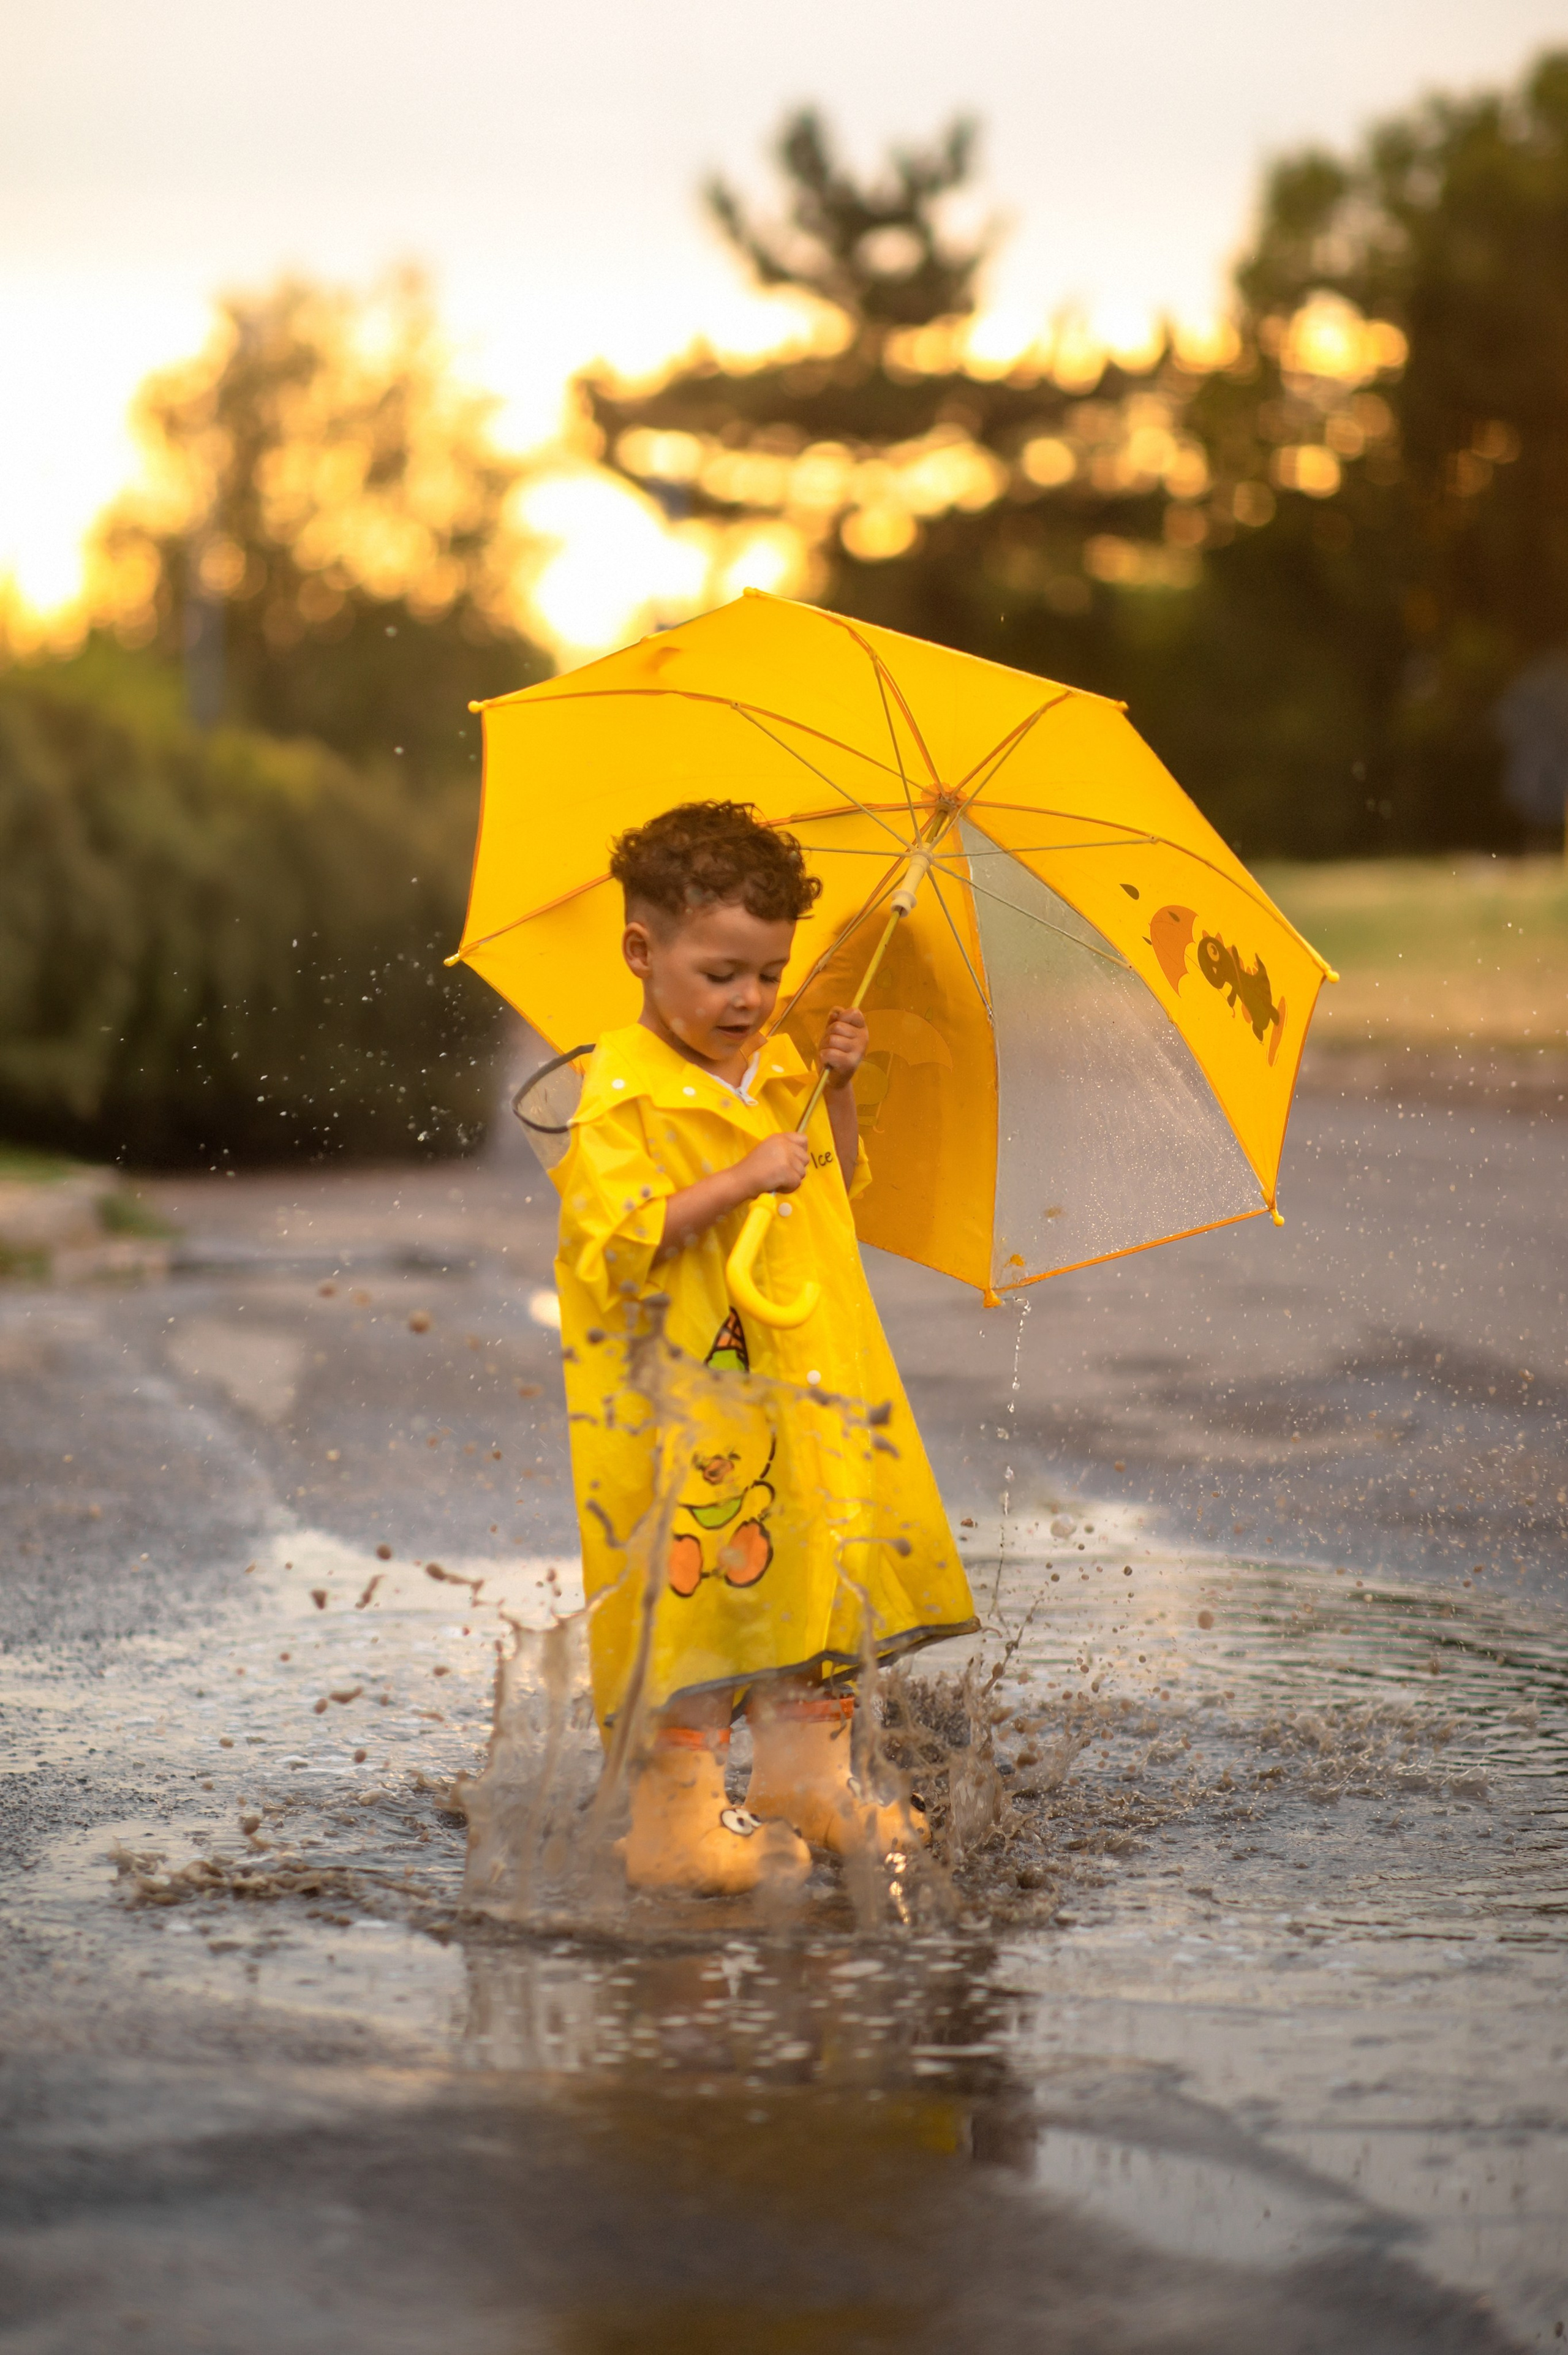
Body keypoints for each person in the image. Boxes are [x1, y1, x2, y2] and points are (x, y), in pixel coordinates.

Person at [551, 801, 976, 1895]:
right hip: (693, 1409)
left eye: (769, 974)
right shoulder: (622, 1093)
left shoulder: (780, 1068)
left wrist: (833, 1086)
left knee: (813, 1578)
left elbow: (832, 1187)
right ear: (643, 952)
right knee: (701, 1596)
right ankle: (674, 1818)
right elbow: (619, 1237)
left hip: (800, 1388)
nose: (749, 1000)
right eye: (722, 972)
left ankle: (804, 1778)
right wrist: (741, 1175)